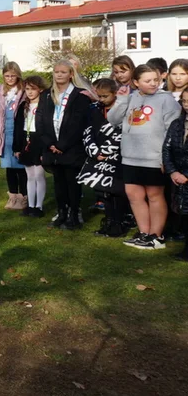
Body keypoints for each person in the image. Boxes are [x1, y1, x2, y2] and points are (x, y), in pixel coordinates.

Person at [110, 63, 179, 249]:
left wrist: (166, 158)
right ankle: (144, 233)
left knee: (154, 195)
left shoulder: (166, 100)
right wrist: (122, 101)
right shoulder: (129, 97)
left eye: (156, 80)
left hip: (154, 157)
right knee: (134, 194)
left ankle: (156, 237)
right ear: (136, 82)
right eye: (147, 81)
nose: (153, 84)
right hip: (130, 157)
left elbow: (172, 131)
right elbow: (113, 119)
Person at [35, 59, 92, 229]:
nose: (59, 75)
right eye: (56, 72)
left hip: (71, 148)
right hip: (51, 147)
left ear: (70, 74)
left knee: (72, 183)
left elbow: (79, 123)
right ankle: (61, 213)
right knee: (58, 183)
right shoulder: (46, 94)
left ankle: (74, 215)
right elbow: (40, 120)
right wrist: (50, 143)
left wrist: (62, 144)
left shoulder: (79, 95)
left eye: (63, 72)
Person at [80, 79, 129, 238]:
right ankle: (108, 221)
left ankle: (118, 222)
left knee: (116, 191)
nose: (101, 99)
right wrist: (94, 151)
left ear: (115, 94)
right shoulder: (93, 109)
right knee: (104, 191)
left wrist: (107, 150)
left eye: (105, 96)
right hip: (98, 156)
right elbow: (87, 130)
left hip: (117, 156)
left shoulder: (122, 109)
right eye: (98, 96)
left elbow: (122, 132)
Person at [0, 62, 26, 210]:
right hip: (4, 135)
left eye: (13, 75)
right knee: (9, 168)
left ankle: (24, 197)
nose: (10, 78)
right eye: (7, 76)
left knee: (21, 167)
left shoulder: (23, 90)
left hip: (19, 134)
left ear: (18, 75)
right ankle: (13, 197)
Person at [12, 74, 48, 218]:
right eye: (27, 89)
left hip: (40, 142)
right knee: (30, 176)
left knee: (39, 175)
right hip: (26, 142)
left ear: (40, 89)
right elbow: (17, 127)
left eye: (33, 89)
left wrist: (45, 148)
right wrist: (16, 147)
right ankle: (30, 205)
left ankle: (39, 206)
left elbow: (47, 127)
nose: (30, 92)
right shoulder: (23, 106)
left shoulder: (45, 106)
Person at [162, 90, 188, 261]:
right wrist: (173, 171)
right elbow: (167, 149)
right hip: (178, 177)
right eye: (184, 101)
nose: (187, 104)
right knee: (184, 213)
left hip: (185, 176)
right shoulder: (177, 124)